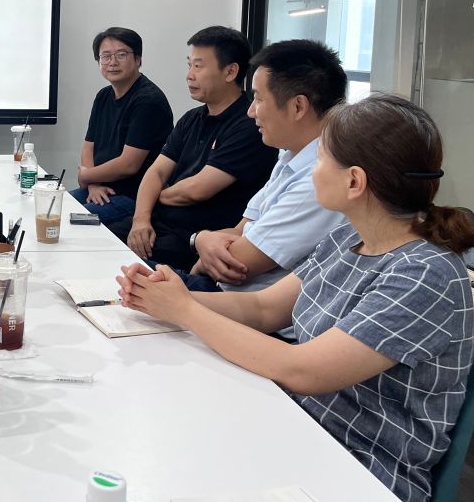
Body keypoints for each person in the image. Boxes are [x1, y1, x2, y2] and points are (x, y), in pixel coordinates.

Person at [118, 93, 474, 502]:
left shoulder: (425, 274)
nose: (312, 172)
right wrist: (165, 299)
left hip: (359, 468)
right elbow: (263, 308)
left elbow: (302, 370)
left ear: (354, 182)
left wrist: (186, 311)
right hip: (297, 426)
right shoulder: (347, 238)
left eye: (320, 160)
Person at [182, 39, 349, 295]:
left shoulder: (320, 179)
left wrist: (201, 242)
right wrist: (202, 240)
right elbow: (241, 230)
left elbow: (239, 263)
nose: (251, 111)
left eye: (258, 99)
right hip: (225, 293)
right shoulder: (291, 157)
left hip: (247, 308)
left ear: (297, 106)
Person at [118, 26, 278, 271]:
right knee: (94, 241)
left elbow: (196, 190)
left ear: (230, 71)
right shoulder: (191, 118)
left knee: (117, 265)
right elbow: (156, 172)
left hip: (194, 238)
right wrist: (141, 220)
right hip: (158, 223)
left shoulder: (249, 126)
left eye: (199, 66)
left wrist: (159, 194)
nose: (189, 75)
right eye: (189, 65)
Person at [72, 27, 173, 225]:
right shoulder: (103, 96)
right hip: (99, 188)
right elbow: (89, 146)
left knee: (70, 221)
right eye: (106, 56)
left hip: (133, 197)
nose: (113, 62)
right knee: (52, 209)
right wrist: (92, 183)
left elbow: (129, 165)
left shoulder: (148, 101)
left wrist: (86, 175)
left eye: (121, 55)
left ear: (138, 59)